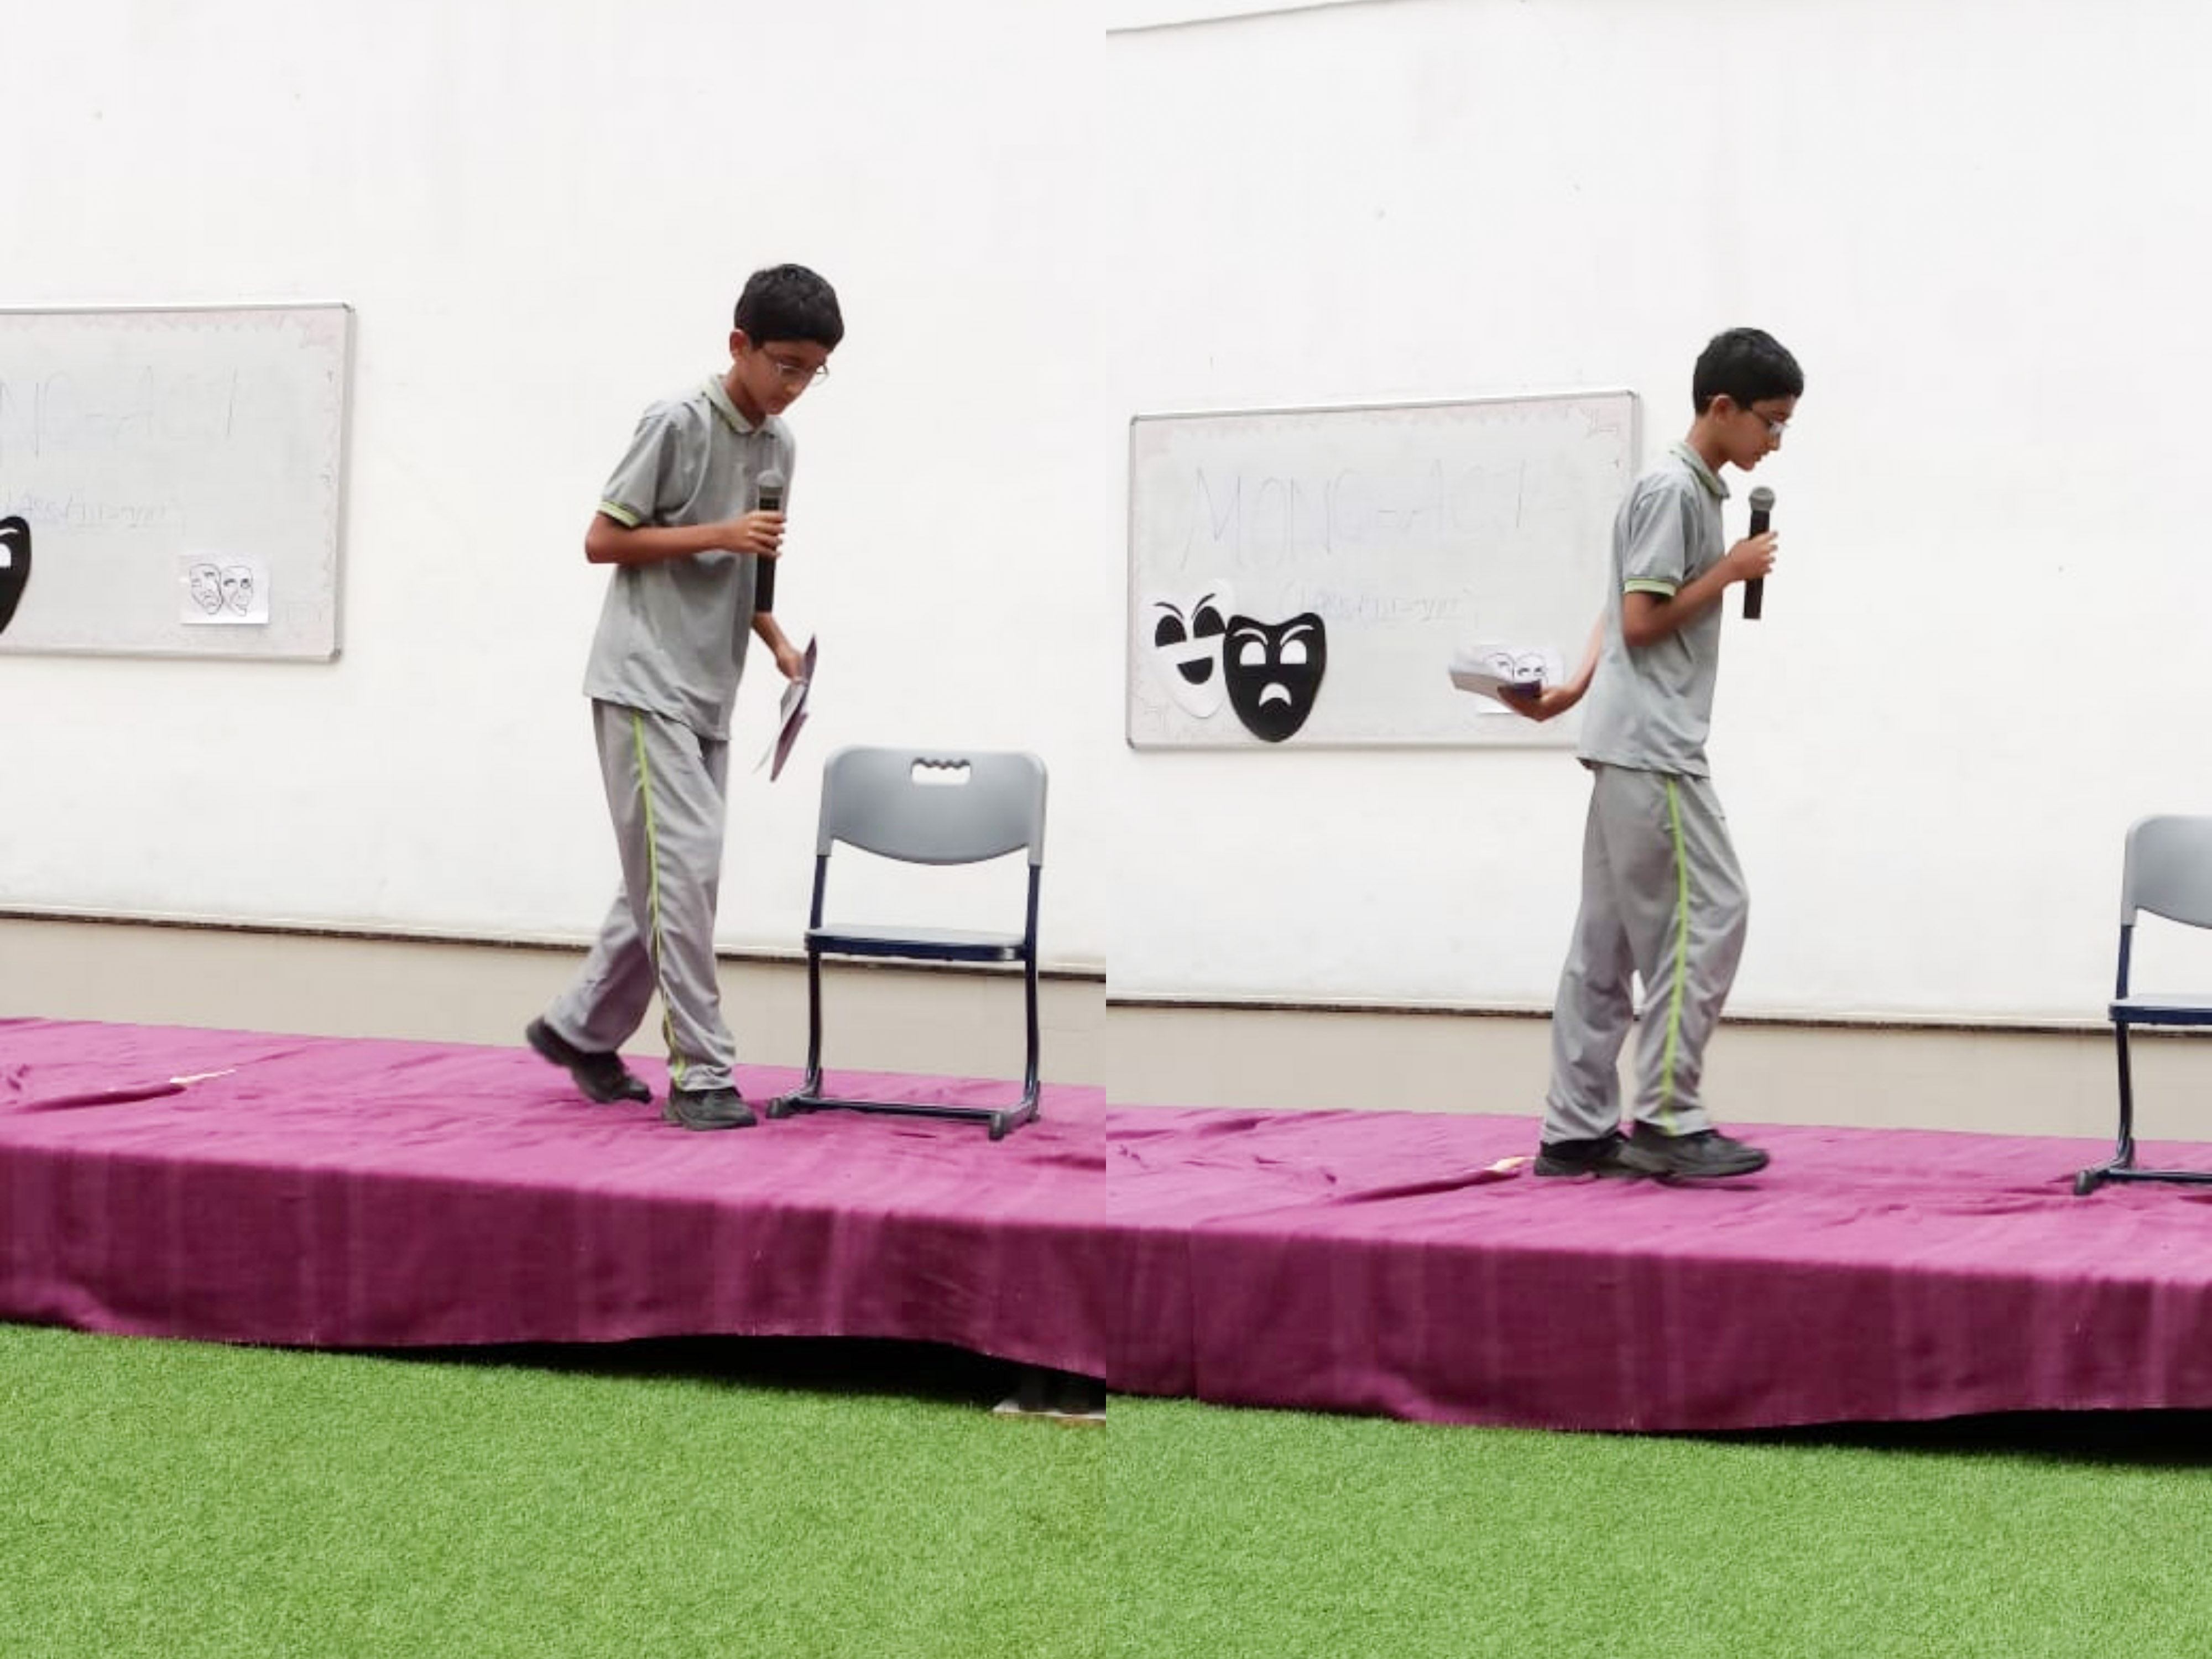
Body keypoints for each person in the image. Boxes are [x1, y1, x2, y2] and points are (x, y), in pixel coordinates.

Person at [526, 264, 843, 1130]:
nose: (795, 386)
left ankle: (580, 1027)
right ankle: (702, 1075)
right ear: (740, 344)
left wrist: (777, 642)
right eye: (785, 365)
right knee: (686, 872)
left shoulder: (779, 448)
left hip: (712, 687)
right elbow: (602, 541)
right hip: (643, 679)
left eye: (814, 371)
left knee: (667, 876)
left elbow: (749, 572)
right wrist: (720, 533)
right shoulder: (675, 422)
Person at [1506, 327, 1801, 1178]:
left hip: (1622, 739)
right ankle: (1670, 1116)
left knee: (1605, 942)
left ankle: (1574, 1130)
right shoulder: (1676, 491)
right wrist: (1730, 572)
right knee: (1711, 912)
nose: (1775, 440)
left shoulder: (1682, 490)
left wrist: (1571, 691)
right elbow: (1643, 619)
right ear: (1723, 406)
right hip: (1656, 748)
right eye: (1770, 422)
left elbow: (1622, 600)